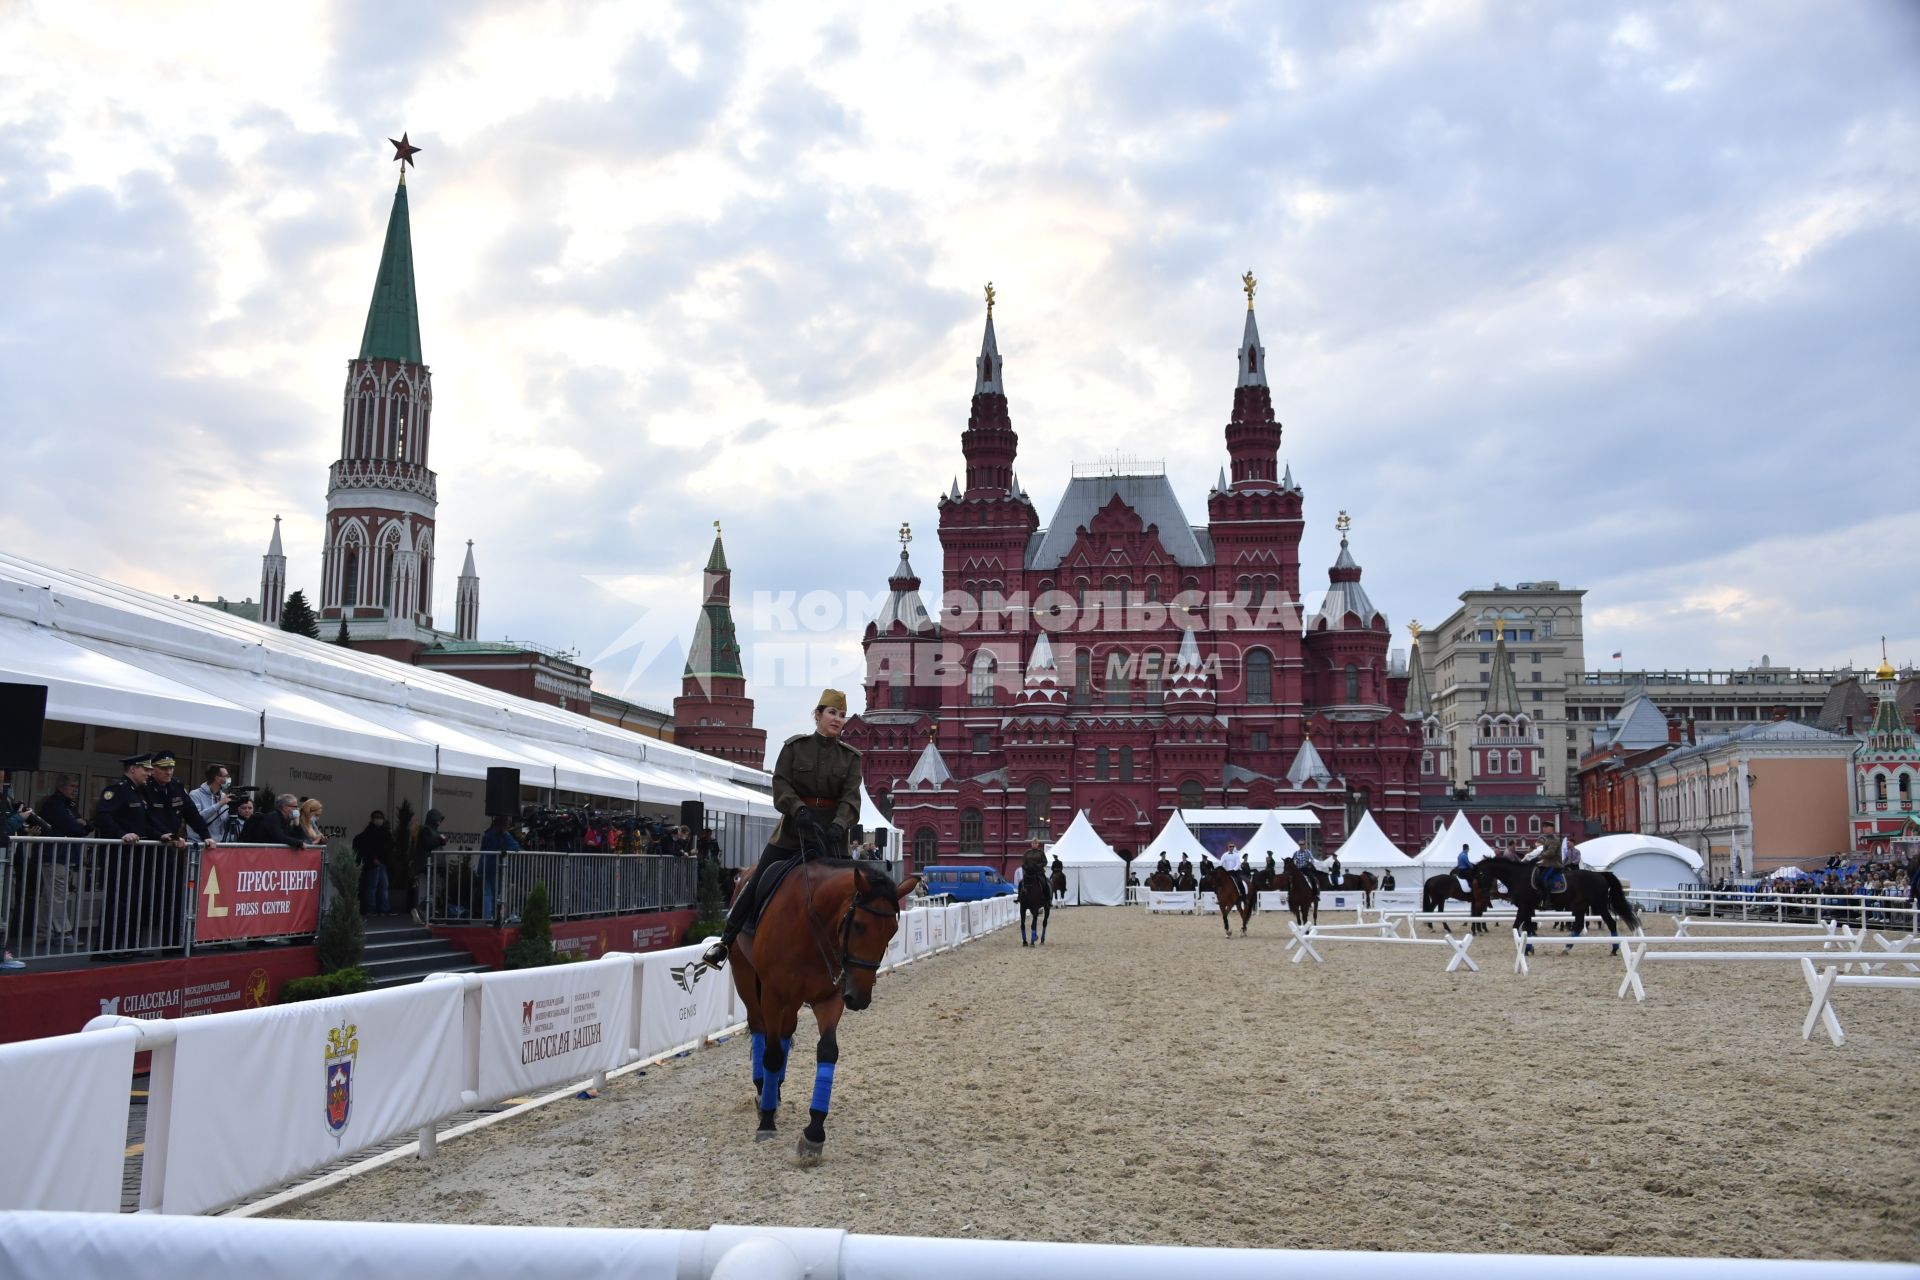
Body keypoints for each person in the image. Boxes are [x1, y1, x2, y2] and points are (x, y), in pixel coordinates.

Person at [702, 688, 861, 969]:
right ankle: (725, 942)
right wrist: (797, 808)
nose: (838, 719)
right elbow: (781, 784)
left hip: (832, 837)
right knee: (757, 880)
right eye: (832, 713)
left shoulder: (851, 758)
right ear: (818, 715)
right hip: (792, 832)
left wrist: (839, 824)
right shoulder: (794, 747)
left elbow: (850, 798)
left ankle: (851, 960)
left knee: (855, 894)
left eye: (842, 715)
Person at [92, 754, 166, 957]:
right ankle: (107, 949)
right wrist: (121, 834)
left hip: (136, 858)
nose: (149, 774)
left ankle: (128, 945)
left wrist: (162, 835)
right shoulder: (117, 791)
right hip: (120, 855)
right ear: (133, 769)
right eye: (146, 770)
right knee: (117, 901)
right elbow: (102, 816)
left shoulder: (139, 793)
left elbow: (146, 823)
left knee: (134, 901)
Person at [34, 775, 90, 950]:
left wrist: (82, 824)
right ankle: (63, 933)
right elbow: (74, 828)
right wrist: (79, 824)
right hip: (54, 855)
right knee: (58, 894)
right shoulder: (54, 804)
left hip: (63, 855)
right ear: (61, 787)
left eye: (76, 786)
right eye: (72, 786)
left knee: (49, 895)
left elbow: (84, 828)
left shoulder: (69, 805)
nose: (75, 789)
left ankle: (43, 934)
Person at [477, 814, 520, 923]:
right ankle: (495, 917)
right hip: (496, 868)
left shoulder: (487, 834)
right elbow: (515, 847)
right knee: (495, 893)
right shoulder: (504, 836)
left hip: (485, 867)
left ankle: (488, 917)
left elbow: (483, 850)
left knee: (487, 893)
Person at [410, 808, 448, 926]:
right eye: (437, 819)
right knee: (428, 890)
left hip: (435, 865)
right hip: (428, 866)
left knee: (434, 891)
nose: (439, 822)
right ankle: (420, 910)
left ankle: (428, 914)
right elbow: (428, 844)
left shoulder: (433, 831)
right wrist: (440, 840)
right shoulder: (425, 830)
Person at [353, 811, 393, 915]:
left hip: (382, 862)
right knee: (372, 887)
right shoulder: (369, 832)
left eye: (380, 817)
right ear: (372, 819)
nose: (379, 819)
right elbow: (367, 846)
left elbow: (389, 846)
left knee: (383, 886)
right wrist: (373, 858)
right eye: (376, 817)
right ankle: (372, 910)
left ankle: (384, 909)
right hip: (373, 863)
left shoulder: (385, 831)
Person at [189, 764, 231, 838]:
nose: (229, 779)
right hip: (201, 843)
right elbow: (197, 818)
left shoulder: (223, 796)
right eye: (226, 776)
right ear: (217, 778)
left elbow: (225, 822)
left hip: (219, 844)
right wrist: (219, 804)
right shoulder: (195, 794)